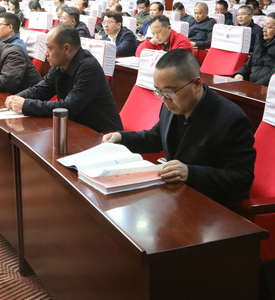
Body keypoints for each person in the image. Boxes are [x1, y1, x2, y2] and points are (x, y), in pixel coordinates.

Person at [102, 49, 255, 208]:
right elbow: (155, 137)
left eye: (169, 92)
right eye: (158, 91)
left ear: (196, 84)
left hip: (211, 206)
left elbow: (241, 179)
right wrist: (121, 138)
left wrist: (190, 173)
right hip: (175, 196)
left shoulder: (231, 119)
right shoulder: (171, 106)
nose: (164, 99)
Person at [5, 24, 123, 133]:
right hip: (76, 128)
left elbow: (68, 107)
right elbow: (40, 90)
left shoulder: (89, 68)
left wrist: (26, 105)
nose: (46, 53)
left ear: (66, 48)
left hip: (102, 135)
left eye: (49, 48)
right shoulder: (59, 65)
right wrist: (15, 98)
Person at [234, 12, 275, 86]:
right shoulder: (263, 41)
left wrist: (254, 87)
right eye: (264, 26)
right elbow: (249, 64)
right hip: (252, 85)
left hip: (270, 87)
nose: (264, 30)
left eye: (268, 27)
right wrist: (240, 74)